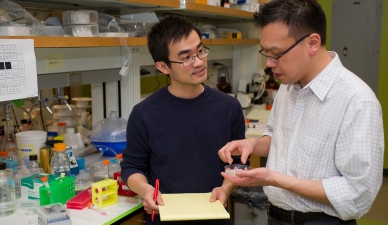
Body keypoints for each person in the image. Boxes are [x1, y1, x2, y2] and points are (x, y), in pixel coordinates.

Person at [218, 0, 384, 225]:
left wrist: (275, 179)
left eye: (276, 54)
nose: (269, 63)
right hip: (275, 216)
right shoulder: (288, 86)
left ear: (313, 43)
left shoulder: (357, 101)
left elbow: (357, 193)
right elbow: (277, 136)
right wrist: (254, 145)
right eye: (265, 52)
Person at [120, 15, 246, 225]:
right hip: (164, 217)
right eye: (186, 57)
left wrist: (225, 189)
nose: (198, 62)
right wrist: (145, 190)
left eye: (200, 51)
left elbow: (239, 166)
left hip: (214, 217)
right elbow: (131, 167)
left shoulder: (229, 108)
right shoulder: (144, 114)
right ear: (163, 67)